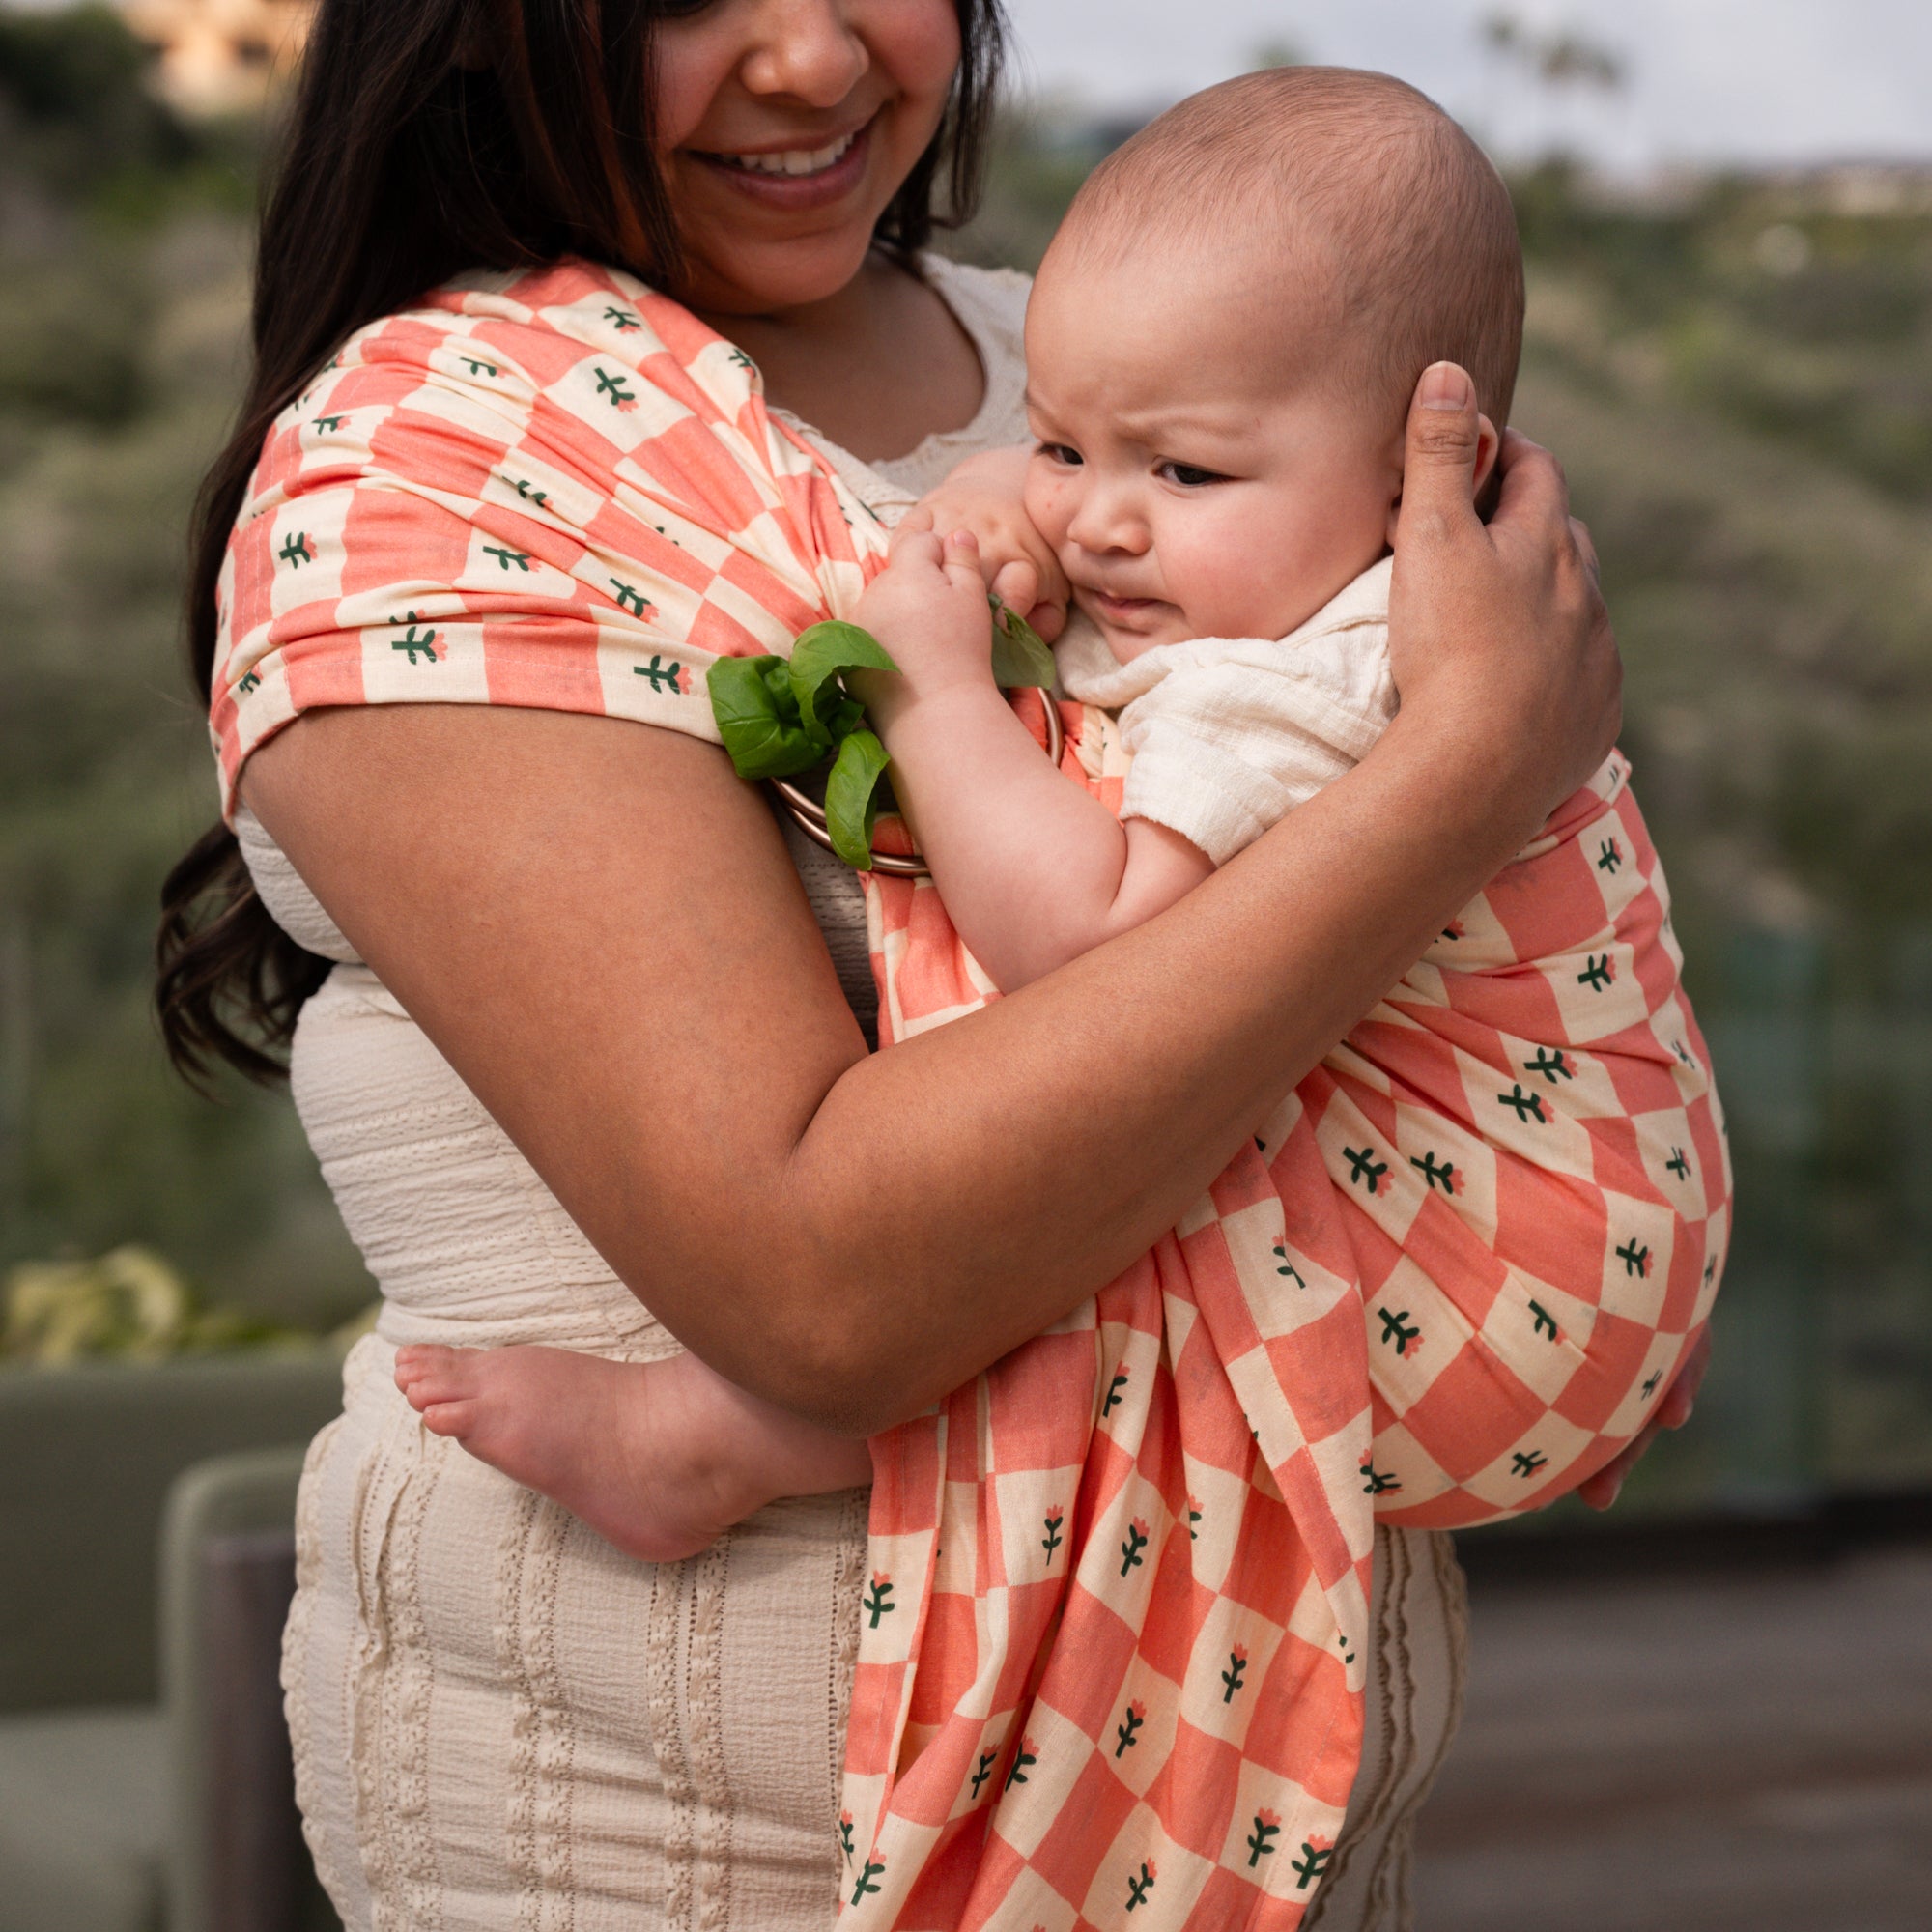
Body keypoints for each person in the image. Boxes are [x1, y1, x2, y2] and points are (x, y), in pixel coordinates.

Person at [153, 7, 1694, 1929]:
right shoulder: (449, 465)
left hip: (1305, 1830)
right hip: (684, 1859)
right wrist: (1466, 771)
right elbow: (822, 1282)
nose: (809, 58)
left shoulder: (1095, 353)